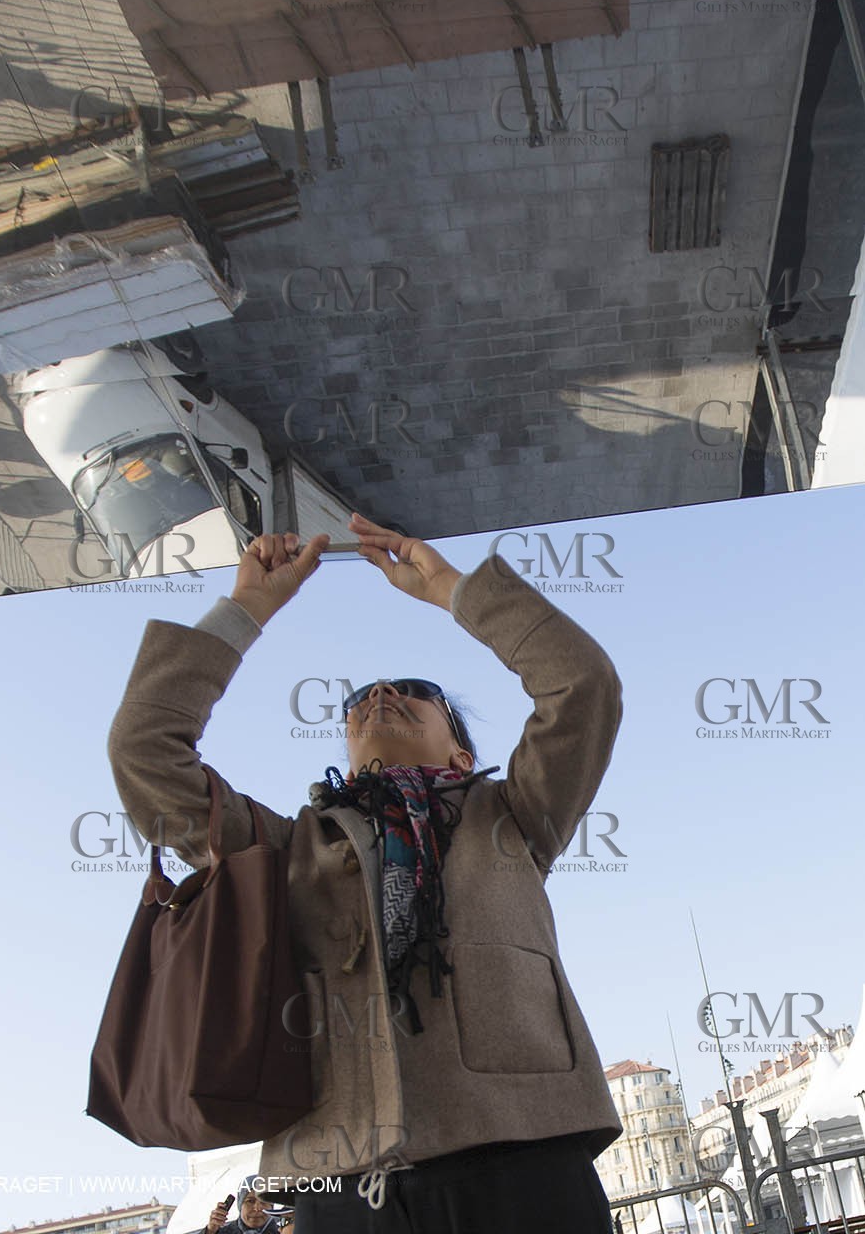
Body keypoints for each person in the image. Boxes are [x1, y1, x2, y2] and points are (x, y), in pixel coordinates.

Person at [108, 512, 625, 1231]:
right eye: (358, 701)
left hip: (525, 1164)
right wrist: (248, 608)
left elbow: (582, 684)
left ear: (461, 757)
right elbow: (143, 749)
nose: (379, 694)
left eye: (415, 691)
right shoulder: (281, 849)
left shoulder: (514, 813)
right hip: (337, 1193)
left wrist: (450, 588)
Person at [201, 1182, 280, 1233]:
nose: (257, 1208)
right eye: (250, 1201)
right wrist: (210, 1231)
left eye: (264, 1201)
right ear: (240, 1205)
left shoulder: (285, 1231)